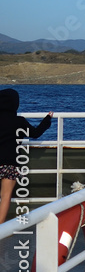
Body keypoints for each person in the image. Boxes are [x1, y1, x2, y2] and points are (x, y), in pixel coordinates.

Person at [0, 88, 53, 222]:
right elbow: (35, 133)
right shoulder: (19, 121)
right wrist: (47, 120)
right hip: (10, 163)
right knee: (5, 196)